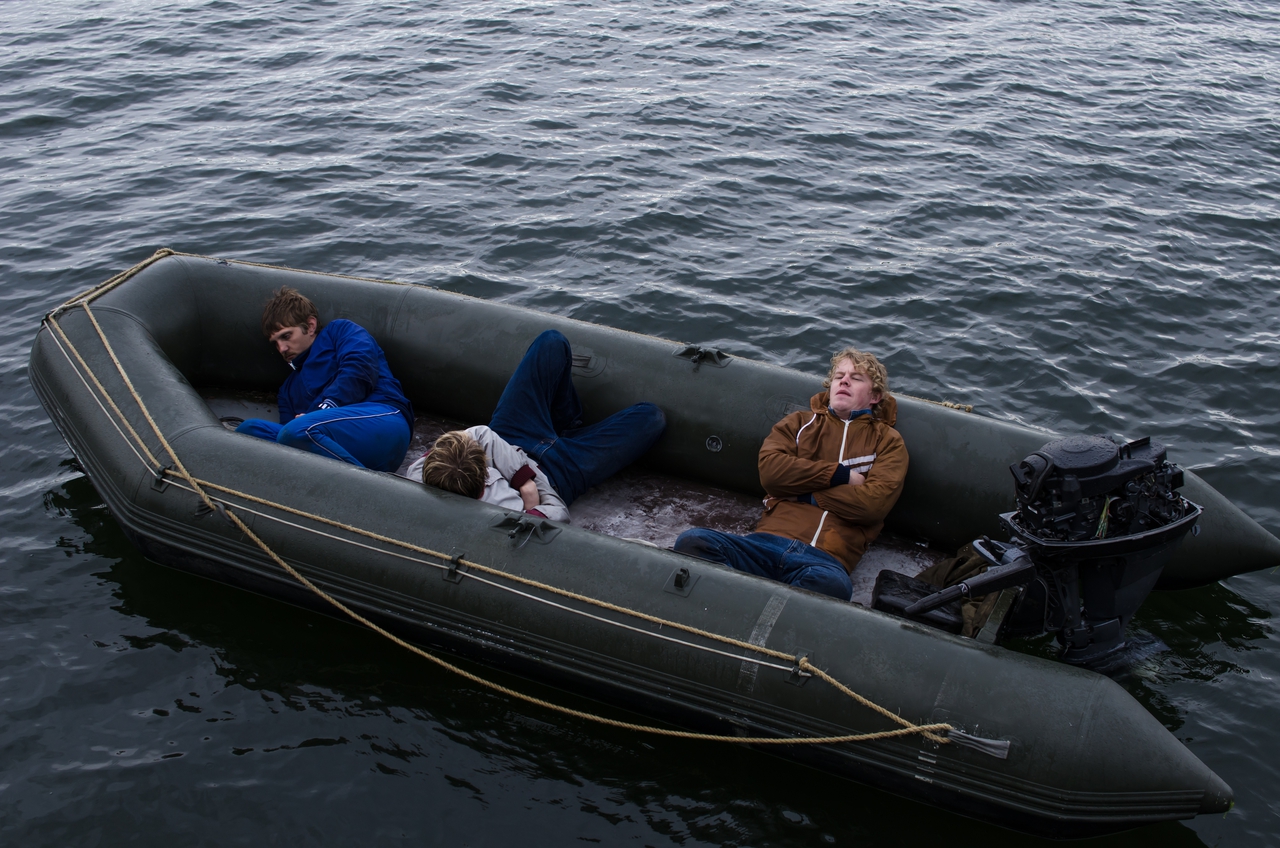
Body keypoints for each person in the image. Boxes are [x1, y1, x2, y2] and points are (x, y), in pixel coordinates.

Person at [674, 347, 908, 601]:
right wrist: (841, 475)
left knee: (833, 587)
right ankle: (750, 603)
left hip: (824, 561)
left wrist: (801, 493)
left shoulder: (888, 442)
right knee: (694, 541)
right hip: (765, 544)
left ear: (874, 396)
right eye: (839, 375)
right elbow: (772, 475)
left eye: (856, 377)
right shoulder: (798, 423)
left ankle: (747, 600)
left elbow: (872, 506)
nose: (844, 380)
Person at [236, 286, 414, 472]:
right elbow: (287, 439)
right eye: (276, 343)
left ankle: (372, 494)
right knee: (249, 430)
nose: (281, 348)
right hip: (333, 445)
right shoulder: (287, 391)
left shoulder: (340, 331)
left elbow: (359, 369)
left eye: (286, 336)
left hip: (384, 418)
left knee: (298, 429)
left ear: (311, 325)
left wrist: (321, 409)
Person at [404, 427, 570, 523]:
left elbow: (481, 433)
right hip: (553, 473)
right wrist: (529, 485)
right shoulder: (508, 515)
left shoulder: (419, 474)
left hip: (506, 438)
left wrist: (522, 476)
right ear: (484, 486)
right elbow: (559, 512)